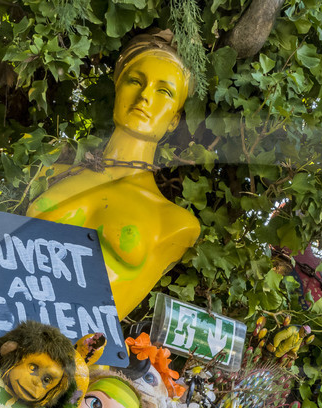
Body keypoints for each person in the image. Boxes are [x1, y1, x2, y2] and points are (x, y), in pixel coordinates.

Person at [27, 32, 200, 318]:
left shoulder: (176, 223)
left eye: (163, 91)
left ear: (174, 121)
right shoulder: (49, 172)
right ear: (118, 88)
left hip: (80, 354)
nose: (145, 97)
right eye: (136, 81)